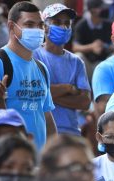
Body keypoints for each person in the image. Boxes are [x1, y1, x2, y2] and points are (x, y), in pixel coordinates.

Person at [0, 1, 56, 150]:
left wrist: (54, 154)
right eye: (29, 25)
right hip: (9, 159)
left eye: (40, 25)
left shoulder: (41, 68)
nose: (37, 30)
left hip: (38, 162)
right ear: (11, 26)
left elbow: (46, 116)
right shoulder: (0, 62)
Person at [33, 3, 91, 135]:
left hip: (71, 132)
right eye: (57, 22)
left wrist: (48, 95)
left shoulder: (76, 62)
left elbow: (85, 102)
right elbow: (36, 93)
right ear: (45, 27)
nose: (63, 27)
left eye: (67, 23)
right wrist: (68, 88)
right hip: (41, 131)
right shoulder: (34, 56)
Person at [73, 0, 113, 83]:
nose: (105, 9)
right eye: (101, 7)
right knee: (78, 56)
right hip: (88, 65)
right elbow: (75, 47)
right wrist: (92, 47)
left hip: (104, 63)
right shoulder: (81, 25)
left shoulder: (109, 24)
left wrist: (104, 46)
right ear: (92, 10)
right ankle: (83, 87)